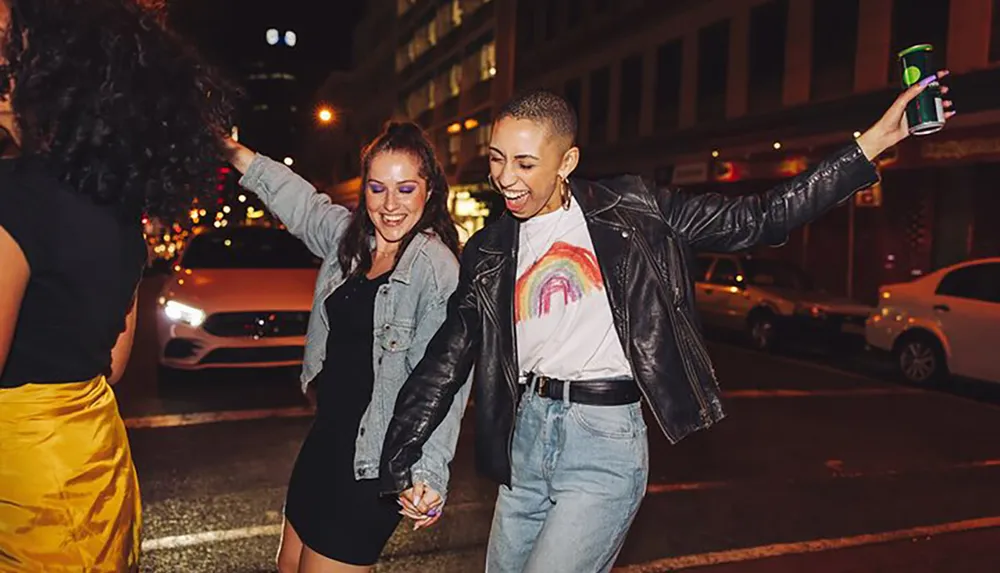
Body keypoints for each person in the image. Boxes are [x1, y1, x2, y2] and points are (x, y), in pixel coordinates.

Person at [380, 73, 954, 572]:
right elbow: (447, 358)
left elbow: (759, 218)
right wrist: (401, 455)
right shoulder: (489, 248)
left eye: (526, 163)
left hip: (602, 442)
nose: (506, 177)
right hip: (524, 442)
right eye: (497, 158)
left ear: (567, 162)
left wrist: (873, 143)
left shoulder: (636, 209)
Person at [0, 0, 235, 569]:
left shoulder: (17, 200)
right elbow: (116, 361)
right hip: (92, 470)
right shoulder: (120, 208)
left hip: (26, 492)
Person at [226, 121, 472, 573]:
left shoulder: (435, 269)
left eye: (405, 188)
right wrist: (231, 149)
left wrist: (430, 473)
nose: (390, 205)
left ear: (430, 190)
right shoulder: (352, 243)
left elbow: (445, 383)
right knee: (290, 566)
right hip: (325, 443)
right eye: (377, 189)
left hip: (373, 465)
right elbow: (299, 202)